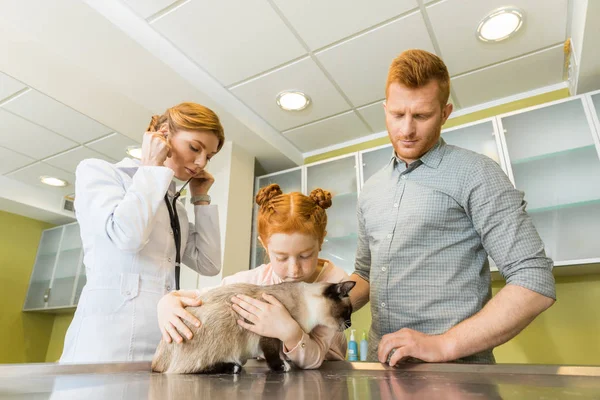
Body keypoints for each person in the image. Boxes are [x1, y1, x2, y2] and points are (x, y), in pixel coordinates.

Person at [348, 49, 556, 365]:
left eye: (421, 116)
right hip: (384, 373)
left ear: (445, 113)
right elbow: (364, 276)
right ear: (385, 109)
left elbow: (534, 280)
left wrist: (444, 345)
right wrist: (308, 310)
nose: (406, 130)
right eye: (397, 114)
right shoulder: (371, 191)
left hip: (456, 374)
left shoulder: (476, 173)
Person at [60, 102, 225, 363]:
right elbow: (128, 236)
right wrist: (150, 167)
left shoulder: (176, 208)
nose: (201, 162)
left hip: (163, 345)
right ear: (163, 134)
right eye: (195, 147)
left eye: (210, 156)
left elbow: (209, 263)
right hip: (105, 345)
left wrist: (201, 199)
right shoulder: (99, 172)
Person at [157, 184, 350, 369]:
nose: (294, 270)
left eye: (305, 256)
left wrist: (289, 331)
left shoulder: (333, 285)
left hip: (325, 377)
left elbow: (315, 359)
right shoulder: (257, 280)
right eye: (281, 257)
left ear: (321, 241)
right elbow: (205, 297)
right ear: (265, 246)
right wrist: (167, 302)